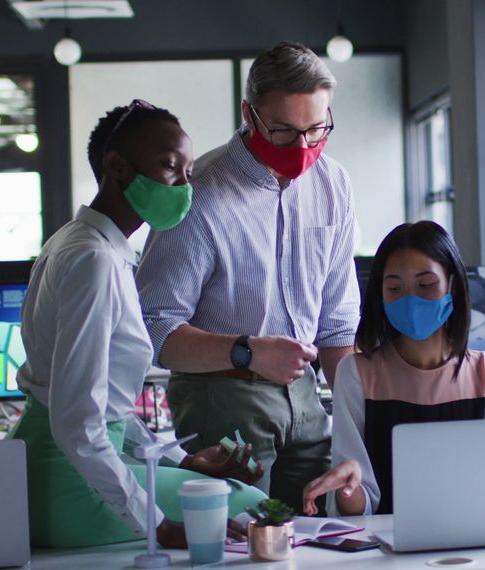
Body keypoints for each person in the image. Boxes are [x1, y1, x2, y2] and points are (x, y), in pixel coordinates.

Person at [12, 100, 266, 549]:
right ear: (116, 167)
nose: (184, 186)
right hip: (67, 482)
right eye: (169, 167)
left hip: (48, 464)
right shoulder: (94, 260)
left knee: (219, 495)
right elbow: (79, 424)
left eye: (188, 172)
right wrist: (157, 525)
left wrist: (180, 460)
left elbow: (104, 406)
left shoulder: (80, 242)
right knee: (244, 503)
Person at [136, 42, 360, 514]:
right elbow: (153, 327)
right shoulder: (200, 193)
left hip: (308, 396)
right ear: (249, 114)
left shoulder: (333, 183)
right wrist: (250, 351)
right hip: (222, 396)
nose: (302, 148)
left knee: (317, 535)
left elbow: (338, 324)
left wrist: (359, 423)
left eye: (316, 129)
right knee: (239, 538)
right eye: (283, 131)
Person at [299, 221, 485, 517]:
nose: (410, 299)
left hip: (473, 532)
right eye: (394, 288)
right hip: (384, 541)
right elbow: (358, 508)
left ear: (452, 286)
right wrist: (347, 488)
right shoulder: (357, 373)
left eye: (425, 284)